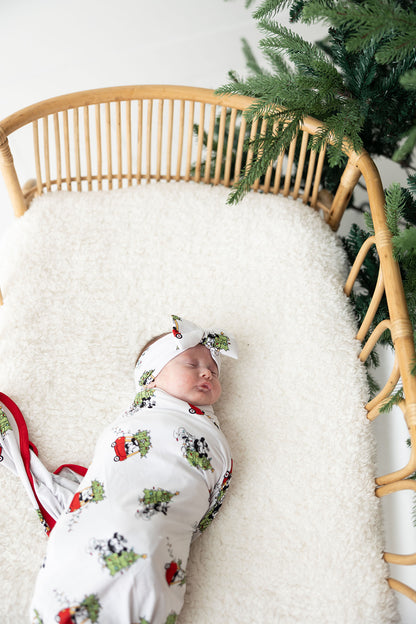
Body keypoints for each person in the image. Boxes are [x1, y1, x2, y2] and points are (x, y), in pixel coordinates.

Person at [29, 315, 238, 624]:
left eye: (213, 370)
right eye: (192, 365)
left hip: (164, 528)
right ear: (152, 378)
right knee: (108, 539)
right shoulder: (140, 421)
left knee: (150, 551)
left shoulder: (207, 427)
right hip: (115, 510)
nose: (207, 371)